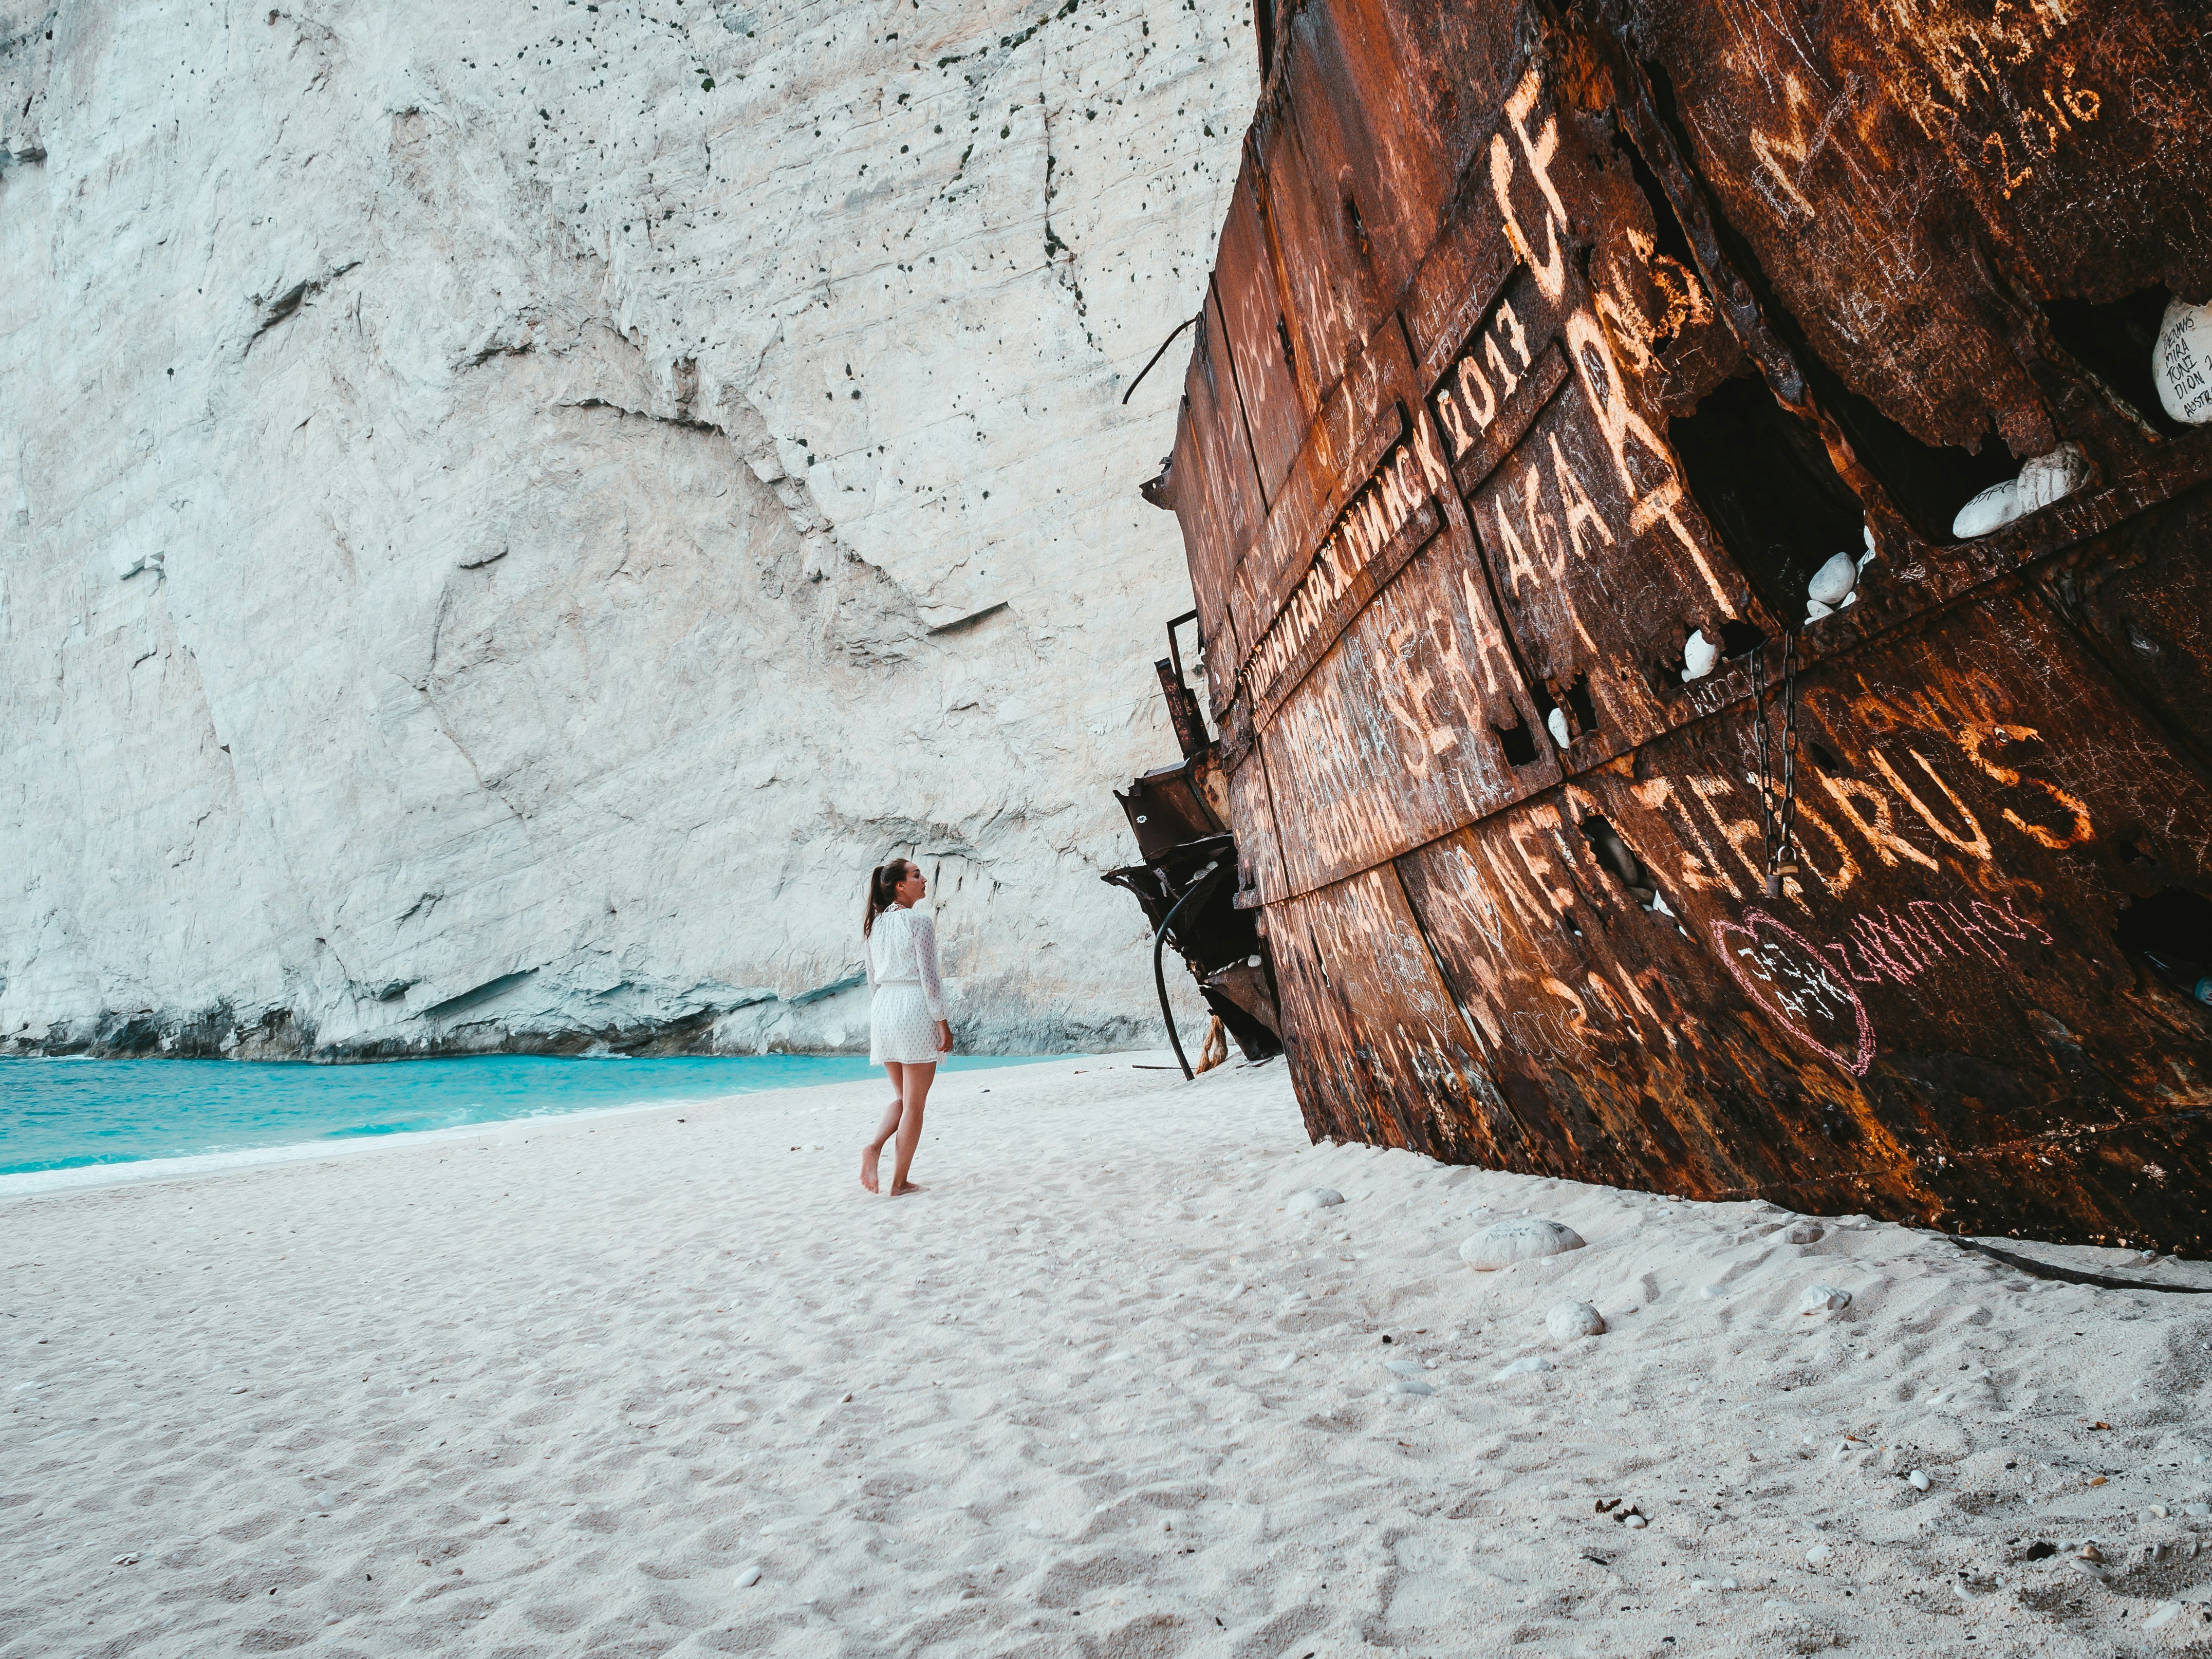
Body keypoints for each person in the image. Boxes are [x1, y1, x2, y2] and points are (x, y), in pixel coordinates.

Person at [860, 859, 952, 1196]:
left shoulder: (874, 925)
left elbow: (872, 980)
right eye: (916, 875)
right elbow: (930, 980)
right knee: (914, 1105)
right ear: (900, 886)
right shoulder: (919, 922)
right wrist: (942, 1023)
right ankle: (898, 1182)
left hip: (883, 1008)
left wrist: (882, 1013)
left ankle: (874, 1146)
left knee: (902, 1098)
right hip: (913, 1007)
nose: (924, 879)